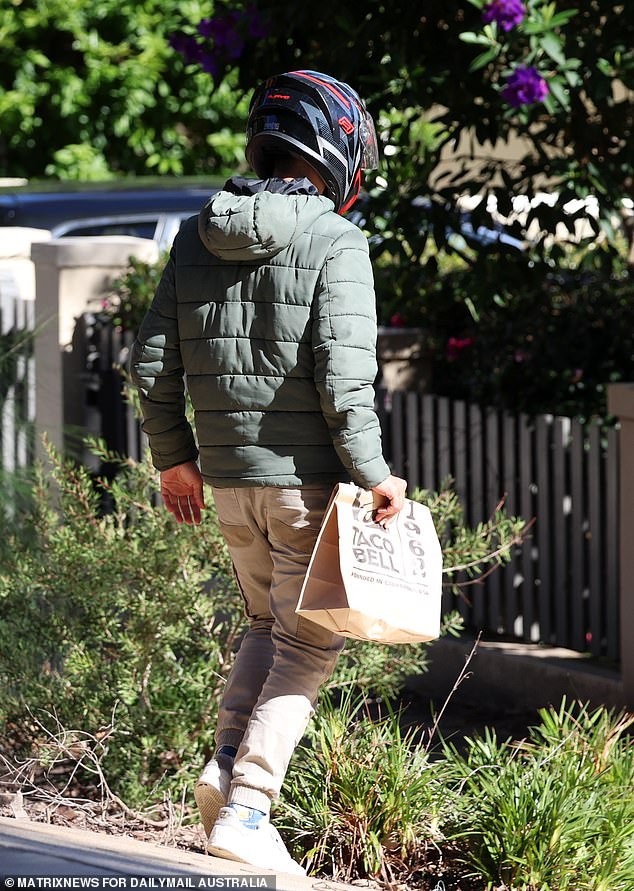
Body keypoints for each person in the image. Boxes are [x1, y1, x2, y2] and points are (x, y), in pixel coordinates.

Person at [129, 69, 407, 876]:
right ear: (341, 155)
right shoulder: (338, 240)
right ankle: (250, 804)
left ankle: (223, 764)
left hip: (225, 484)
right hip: (307, 486)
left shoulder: (194, 233)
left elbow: (151, 363)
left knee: (266, 626)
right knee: (310, 642)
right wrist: (376, 473)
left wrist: (174, 461)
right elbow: (343, 379)